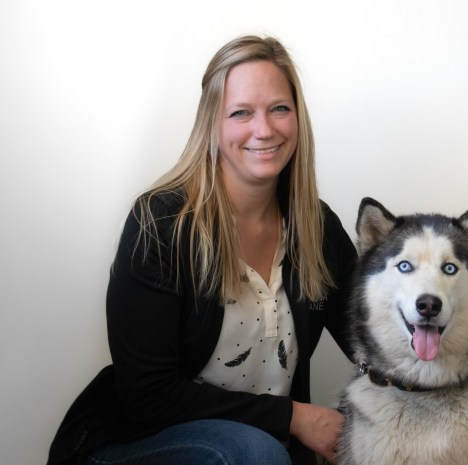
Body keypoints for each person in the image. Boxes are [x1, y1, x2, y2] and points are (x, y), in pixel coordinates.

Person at [46, 35, 357, 465]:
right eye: (241, 112)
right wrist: (292, 417)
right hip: (134, 442)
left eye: (279, 109)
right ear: (212, 123)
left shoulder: (317, 228)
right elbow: (148, 397)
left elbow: (376, 340)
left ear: (298, 118)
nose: (264, 129)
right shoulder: (161, 223)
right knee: (255, 451)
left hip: (265, 451)